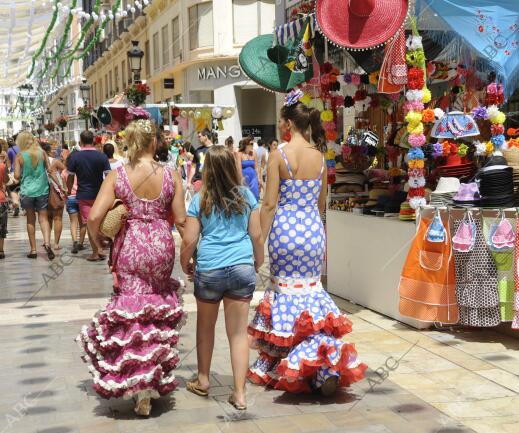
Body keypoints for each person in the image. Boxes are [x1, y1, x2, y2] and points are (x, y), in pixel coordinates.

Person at [247, 94, 366, 394]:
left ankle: (286, 363)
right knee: (311, 292)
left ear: (288, 123)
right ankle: (319, 362)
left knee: (285, 293)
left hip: (285, 232)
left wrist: (259, 239)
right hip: (312, 231)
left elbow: (270, 204)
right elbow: (321, 202)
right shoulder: (319, 157)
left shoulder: (279, 155)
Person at [76, 119, 187, 417]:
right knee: (154, 309)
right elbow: (180, 217)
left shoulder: (118, 175)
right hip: (161, 245)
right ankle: (151, 379)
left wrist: (98, 243)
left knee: (132, 310)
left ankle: (139, 387)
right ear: (154, 143)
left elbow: (95, 216)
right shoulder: (171, 174)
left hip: (131, 246)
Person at [180, 146, 263, 410]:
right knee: (238, 333)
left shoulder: (199, 199)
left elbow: (190, 240)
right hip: (241, 267)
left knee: (205, 328)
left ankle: (203, 380)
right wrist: (257, 261)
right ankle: (239, 393)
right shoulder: (247, 196)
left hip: (210, 269)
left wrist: (185, 263)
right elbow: (257, 236)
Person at [66, 130, 111, 261]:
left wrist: (69, 190)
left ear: (81, 140)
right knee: (101, 222)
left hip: (83, 195)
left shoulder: (75, 157)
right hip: (100, 194)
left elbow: (70, 177)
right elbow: (109, 175)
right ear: (93, 140)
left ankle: (96, 252)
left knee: (89, 223)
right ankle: (101, 248)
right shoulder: (101, 156)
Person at [13, 132, 54, 260]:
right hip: (42, 190)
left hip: (27, 191)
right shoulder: (42, 153)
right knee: (43, 218)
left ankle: (33, 250)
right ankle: (47, 243)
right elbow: (50, 170)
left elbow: (17, 176)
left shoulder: (20, 156)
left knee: (30, 220)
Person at [62, 150, 87, 254]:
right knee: (83, 223)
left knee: (73, 222)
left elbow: (65, 187)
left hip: (70, 198)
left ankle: (74, 242)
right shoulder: (82, 170)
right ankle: (81, 243)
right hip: (81, 197)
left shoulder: (64, 172)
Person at [43, 143, 67, 250]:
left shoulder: (39, 162)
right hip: (55, 190)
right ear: (47, 151)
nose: (54, 151)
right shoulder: (55, 161)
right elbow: (66, 171)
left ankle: (46, 242)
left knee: (46, 218)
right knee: (58, 218)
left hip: (43, 190)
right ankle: (56, 244)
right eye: (52, 150)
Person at [190, 128, 216, 193]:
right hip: (199, 181)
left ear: (206, 136)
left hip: (212, 182)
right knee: (198, 202)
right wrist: (189, 181)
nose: (198, 139)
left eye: (199, 136)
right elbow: (193, 167)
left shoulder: (216, 150)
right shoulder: (197, 150)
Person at [6, 136, 21, 217]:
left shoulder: (8, 150)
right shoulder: (19, 148)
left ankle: (16, 206)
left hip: (13, 171)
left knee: (13, 189)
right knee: (21, 189)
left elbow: (9, 162)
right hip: (22, 171)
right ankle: (25, 208)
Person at [0, 150, 9, 259]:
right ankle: (1, 250)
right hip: (1, 199)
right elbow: (6, 180)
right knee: (1, 226)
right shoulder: (2, 166)